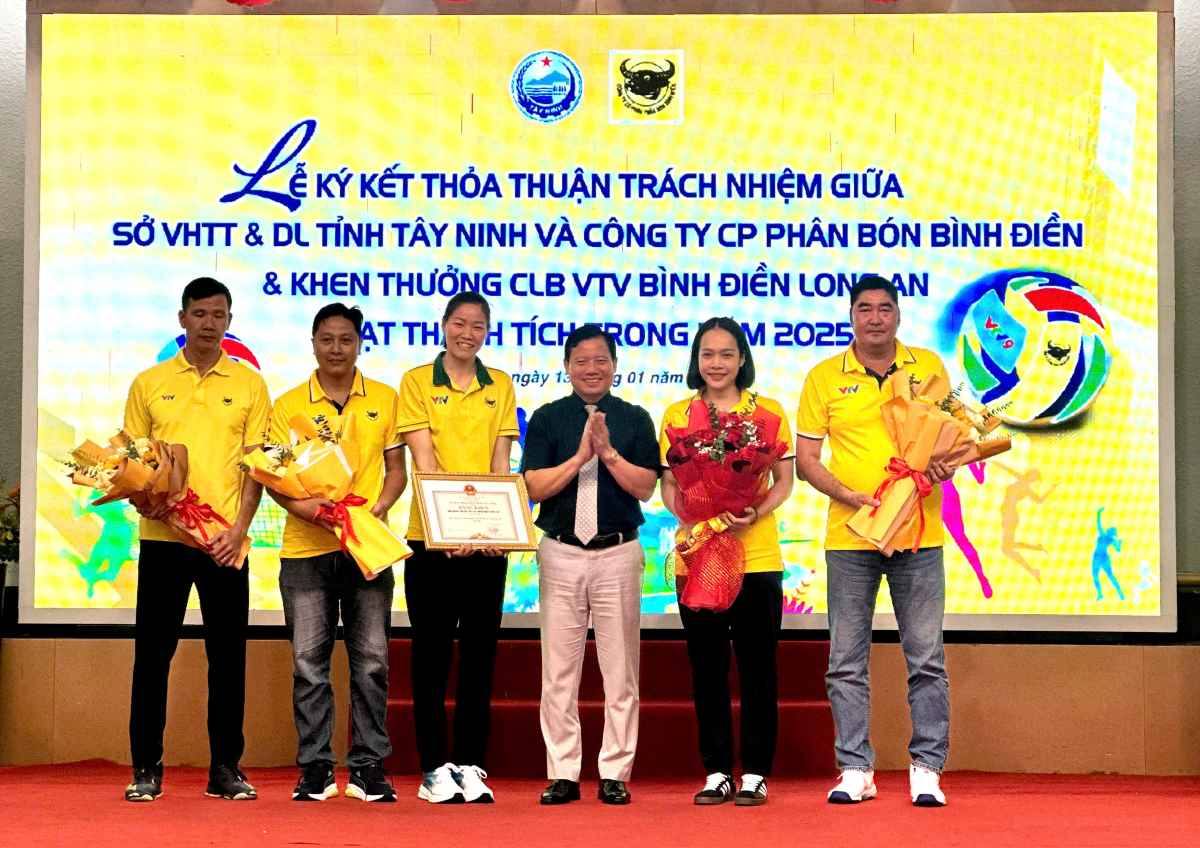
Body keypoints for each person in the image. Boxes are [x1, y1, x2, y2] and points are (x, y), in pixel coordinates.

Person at [794, 274, 953, 807]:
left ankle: (926, 768)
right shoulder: (822, 377)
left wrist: (943, 467)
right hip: (850, 536)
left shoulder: (927, 368)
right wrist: (848, 494)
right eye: (865, 308)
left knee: (926, 658)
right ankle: (855, 769)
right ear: (852, 316)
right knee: (845, 660)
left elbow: (949, 446)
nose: (876, 318)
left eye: (885, 308)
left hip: (919, 534)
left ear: (899, 315)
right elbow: (807, 461)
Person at [122, 277, 269, 802]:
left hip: (224, 543)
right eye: (200, 314)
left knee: (228, 659)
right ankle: (145, 769)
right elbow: (133, 462)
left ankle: (225, 768)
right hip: (163, 540)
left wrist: (239, 530)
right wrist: (146, 496)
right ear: (182, 318)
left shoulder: (250, 384)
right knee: (152, 655)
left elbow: (257, 466)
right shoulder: (149, 382)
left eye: (219, 315)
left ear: (230, 321)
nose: (210, 323)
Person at [267, 304, 407, 803]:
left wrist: (377, 510)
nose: (336, 349)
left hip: (366, 548)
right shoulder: (287, 405)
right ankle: (316, 769)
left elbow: (397, 471)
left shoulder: (386, 399)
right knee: (309, 664)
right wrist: (306, 508)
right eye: (326, 339)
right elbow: (274, 478)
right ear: (312, 344)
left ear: (359, 344)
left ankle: (368, 767)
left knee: (372, 662)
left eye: (346, 339)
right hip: (305, 551)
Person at [521, 326, 660, 806]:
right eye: (581, 361)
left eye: (601, 360)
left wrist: (608, 454)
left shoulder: (635, 418)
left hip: (617, 552)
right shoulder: (547, 418)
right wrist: (581, 456)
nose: (592, 369)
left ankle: (614, 772)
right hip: (561, 551)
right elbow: (533, 487)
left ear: (615, 365)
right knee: (559, 672)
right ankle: (563, 772)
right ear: (567, 367)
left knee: (620, 671)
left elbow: (646, 487)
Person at [658, 317, 794, 807]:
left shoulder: (769, 413)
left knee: (758, 668)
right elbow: (669, 483)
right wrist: (694, 515)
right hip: (698, 559)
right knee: (707, 668)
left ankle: (755, 771)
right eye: (707, 354)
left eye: (726, 354)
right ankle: (716, 769)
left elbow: (783, 482)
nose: (716, 363)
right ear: (696, 360)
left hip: (756, 558)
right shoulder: (677, 414)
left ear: (742, 360)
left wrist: (754, 510)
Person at [397, 292, 519, 804]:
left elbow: (500, 463)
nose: (467, 333)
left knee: (479, 656)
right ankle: (433, 768)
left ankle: (469, 763)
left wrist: (494, 530)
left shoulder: (500, 385)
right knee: (431, 656)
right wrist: (448, 530)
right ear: (444, 325)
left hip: (486, 544)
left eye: (478, 326)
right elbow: (423, 462)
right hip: (431, 541)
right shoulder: (416, 382)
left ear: (487, 332)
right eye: (459, 323)